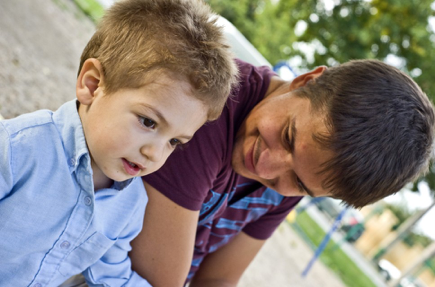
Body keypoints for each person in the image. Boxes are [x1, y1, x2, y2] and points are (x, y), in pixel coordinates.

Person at [129, 58, 435, 286]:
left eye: (299, 182)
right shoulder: (208, 108)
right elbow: (158, 277)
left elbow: (219, 278)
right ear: (306, 81)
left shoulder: (299, 180)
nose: (265, 166)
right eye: (288, 136)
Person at [0, 0, 237, 285]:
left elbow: (111, 274)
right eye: (148, 122)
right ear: (92, 85)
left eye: (174, 141)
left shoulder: (131, 204)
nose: (154, 153)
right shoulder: (19, 148)